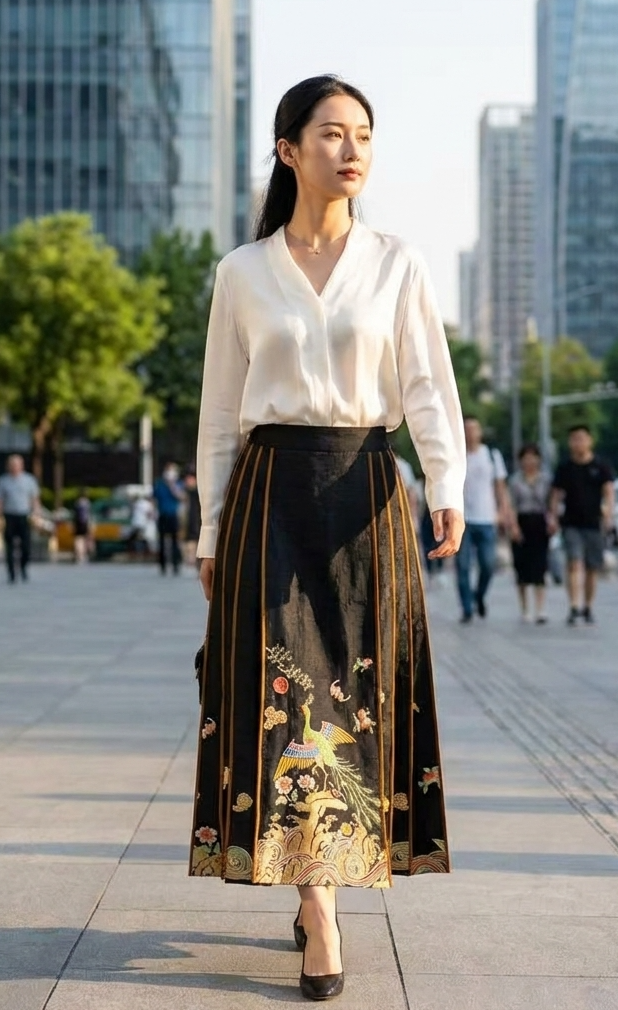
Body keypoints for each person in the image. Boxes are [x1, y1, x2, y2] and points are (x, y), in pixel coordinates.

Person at [192, 76, 465, 1001]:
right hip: (269, 495)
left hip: (367, 492)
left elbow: (429, 384)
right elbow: (221, 416)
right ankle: (318, 907)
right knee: (287, 695)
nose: (351, 150)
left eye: (363, 136)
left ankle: (322, 877)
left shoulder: (398, 263)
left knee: (357, 699)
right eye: (330, 134)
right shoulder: (241, 271)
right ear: (287, 150)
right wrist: (209, 528)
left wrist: (446, 483)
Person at [550, 425, 615, 626]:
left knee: (592, 568)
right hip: (571, 523)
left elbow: (609, 492)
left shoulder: (601, 466)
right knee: (574, 563)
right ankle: (574, 605)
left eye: (582, 438)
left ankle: (588, 605)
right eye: (574, 439)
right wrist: (552, 517)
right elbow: (555, 495)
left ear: (590, 441)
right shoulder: (565, 468)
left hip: (593, 523)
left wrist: (608, 515)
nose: (578, 443)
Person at [457, 418, 511, 623]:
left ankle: (478, 595)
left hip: (486, 517)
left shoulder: (491, 455)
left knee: (488, 565)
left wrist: (503, 511)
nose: (470, 433)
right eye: (466, 429)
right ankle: (467, 608)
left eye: (473, 429)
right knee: (462, 566)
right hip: (462, 520)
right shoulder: (457, 456)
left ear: (480, 432)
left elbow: (500, 486)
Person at [508, 443, 552, 624]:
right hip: (522, 521)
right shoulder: (515, 480)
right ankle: (524, 608)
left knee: (540, 566)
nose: (530, 461)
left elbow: (552, 502)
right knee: (522, 567)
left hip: (540, 523)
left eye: (533, 457)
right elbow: (510, 505)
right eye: (526, 457)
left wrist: (552, 520)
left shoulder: (546, 479)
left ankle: (540, 609)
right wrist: (513, 526)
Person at [0, 454, 40, 583]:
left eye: (17, 464)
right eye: (12, 465)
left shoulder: (29, 480)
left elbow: (34, 499)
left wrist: (36, 514)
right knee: (9, 546)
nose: (14, 467)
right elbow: (0, 500)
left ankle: (23, 566)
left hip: (24, 515)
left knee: (26, 545)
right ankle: (11, 573)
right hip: (9, 515)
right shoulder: (4, 480)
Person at [153, 461, 184, 576]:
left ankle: (176, 564)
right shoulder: (159, 484)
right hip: (162, 515)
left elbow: (181, 497)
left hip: (173, 515)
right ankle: (162, 565)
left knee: (175, 541)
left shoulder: (178, 484)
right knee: (161, 541)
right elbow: (154, 498)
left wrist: (172, 485)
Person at [182, 466, 202, 565]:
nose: (187, 481)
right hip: (191, 526)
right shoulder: (188, 493)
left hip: (198, 526)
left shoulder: (198, 493)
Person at [73, 489, 92, 563]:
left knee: (78, 539)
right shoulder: (87, 503)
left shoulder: (77, 503)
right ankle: (82, 555)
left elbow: (74, 515)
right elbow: (89, 515)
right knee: (84, 539)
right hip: (85, 523)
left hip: (78, 523)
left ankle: (78, 555)